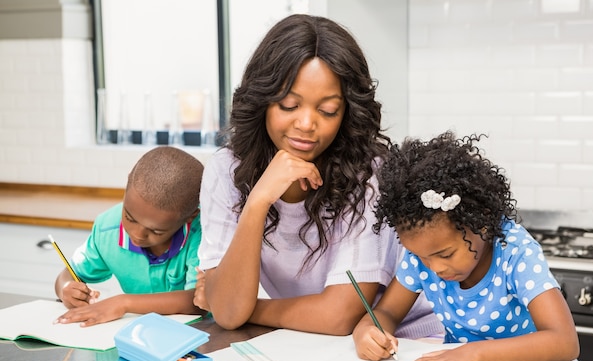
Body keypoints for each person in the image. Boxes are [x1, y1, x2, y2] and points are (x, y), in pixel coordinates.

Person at [193, 14, 441, 338]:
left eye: (327, 110)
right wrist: (257, 202)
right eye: (288, 105)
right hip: (317, 348)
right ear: (262, 102)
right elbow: (226, 313)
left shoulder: (368, 176)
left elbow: (339, 317)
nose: (307, 123)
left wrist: (247, 309)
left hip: (412, 341)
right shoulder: (225, 171)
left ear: (347, 112)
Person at [352, 131, 579, 361]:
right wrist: (368, 330)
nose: (434, 267)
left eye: (446, 254)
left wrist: (474, 354)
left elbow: (564, 341)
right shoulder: (424, 256)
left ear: (481, 222)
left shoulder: (516, 254)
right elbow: (387, 313)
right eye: (423, 257)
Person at [54, 146, 206, 326]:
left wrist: (123, 302)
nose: (137, 234)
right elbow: (68, 274)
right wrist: (66, 289)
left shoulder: (204, 233)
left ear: (190, 217)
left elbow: (197, 302)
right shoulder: (107, 228)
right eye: (129, 217)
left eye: (156, 231)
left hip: (196, 335)